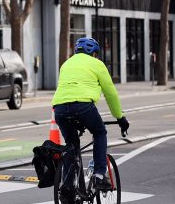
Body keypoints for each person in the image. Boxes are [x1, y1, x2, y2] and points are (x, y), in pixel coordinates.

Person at [51, 37, 129, 192]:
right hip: (83, 106)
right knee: (100, 132)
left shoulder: (66, 64)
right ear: (94, 53)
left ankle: (67, 187)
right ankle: (99, 175)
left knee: (71, 146)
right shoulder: (97, 64)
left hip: (59, 109)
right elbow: (110, 94)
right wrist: (120, 117)